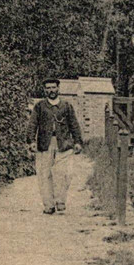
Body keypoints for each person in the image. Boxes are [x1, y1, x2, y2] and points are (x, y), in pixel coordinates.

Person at [31, 78, 84, 214]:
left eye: (53, 87)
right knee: (45, 174)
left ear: (58, 89)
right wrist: (31, 140)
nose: (51, 90)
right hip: (45, 144)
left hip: (64, 143)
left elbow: (74, 124)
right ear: (44, 90)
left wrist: (77, 141)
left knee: (65, 173)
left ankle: (60, 201)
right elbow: (32, 124)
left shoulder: (66, 106)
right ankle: (48, 205)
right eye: (48, 88)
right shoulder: (40, 106)